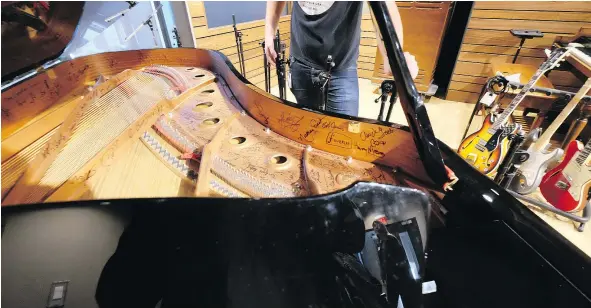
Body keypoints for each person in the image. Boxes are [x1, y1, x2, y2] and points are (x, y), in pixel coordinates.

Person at [265, 1, 418, 117]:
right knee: (308, 124)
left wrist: (392, 56)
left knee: (342, 136)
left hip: (341, 69)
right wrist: (269, 31)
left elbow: (384, 6)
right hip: (300, 63)